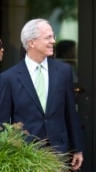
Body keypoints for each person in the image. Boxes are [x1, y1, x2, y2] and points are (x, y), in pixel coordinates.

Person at [0, 18, 84, 171]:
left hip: (59, 151)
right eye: (47, 37)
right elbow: (2, 123)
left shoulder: (63, 72)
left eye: (53, 37)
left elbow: (70, 113)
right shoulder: (8, 78)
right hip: (24, 155)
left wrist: (77, 148)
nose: (53, 41)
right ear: (31, 43)